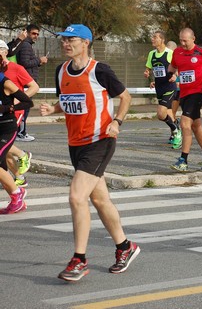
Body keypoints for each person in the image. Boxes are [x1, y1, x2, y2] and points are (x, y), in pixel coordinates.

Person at [40, 24, 139, 282]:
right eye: (63, 40)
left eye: (71, 39)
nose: (65, 43)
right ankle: (125, 247)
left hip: (100, 140)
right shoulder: (61, 71)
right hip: (76, 144)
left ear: (85, 42)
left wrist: (117, 121)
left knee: (76, 196)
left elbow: (126, 97)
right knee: (100, 200)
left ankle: (79, 259)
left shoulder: (99, 70)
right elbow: (67, 101)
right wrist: (52, 109)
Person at [168, 28, 202, 172]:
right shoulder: (177, 52)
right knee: (196, 126)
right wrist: (170, 74)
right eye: (181, 40)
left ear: (193, 38)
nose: (183, 43)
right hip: (184, 93)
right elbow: (173, 65)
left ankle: (183, 160)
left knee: (185, 123)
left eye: (185, 40)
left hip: (198, 92)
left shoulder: (201, 53)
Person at [0, 40, 38, 188]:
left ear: (4, 51)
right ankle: (18, 177)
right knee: (5, 149)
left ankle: (23, 155)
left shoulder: (16, 68)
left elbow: (34, 87)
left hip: (14, 113)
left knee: (6, 146)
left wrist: (13, 103)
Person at [0, 58, 33, 215]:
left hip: (7, 128)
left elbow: (27, 102)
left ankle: (17, 194)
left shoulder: (5, 82)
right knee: (1, 168)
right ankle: (16, 199)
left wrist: (7, 107)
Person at [8, 23, 48, 142]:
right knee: (24, 107)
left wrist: (38, 63)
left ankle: (19, 132)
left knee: (24, 106)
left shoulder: (26, 45)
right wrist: (39, 60)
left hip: (27, 80)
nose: (36, 36)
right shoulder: (25, 45)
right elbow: (24, 63)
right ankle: (21, 132)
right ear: (27, 33)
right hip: (25, 82)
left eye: (37, 34)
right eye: (33, 33)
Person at [144, 31, 181, 150]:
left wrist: (175, 75)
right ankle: (177, 133)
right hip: (159, 87)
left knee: (160, 113)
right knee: (167, 113)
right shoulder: (151, 54)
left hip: (169, 87)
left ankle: (176, 130)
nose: (152, 39)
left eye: (155, 37)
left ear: (162, 40)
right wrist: (148, 74)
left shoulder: (170, 53)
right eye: (152, 37)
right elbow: (150, 68)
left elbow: (178, 67)